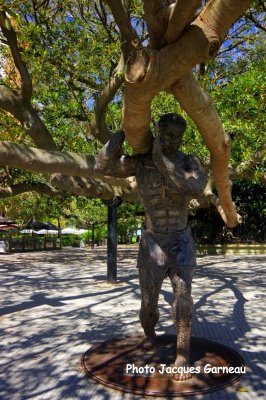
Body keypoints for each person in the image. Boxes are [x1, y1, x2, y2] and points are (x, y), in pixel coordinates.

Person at [95, 113, 207, 380]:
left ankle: (182, 355)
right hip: (152, 241)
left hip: (180, 239)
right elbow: (102, 166)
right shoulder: (141, 163)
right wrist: (122, 133)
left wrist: (161, 159)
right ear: (157, 131)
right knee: (149, 305)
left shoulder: (189, 162)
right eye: (167, 134)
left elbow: (191, 186)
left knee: (183, 297)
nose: (172, 140)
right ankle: (149, 334)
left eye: (177, 137)